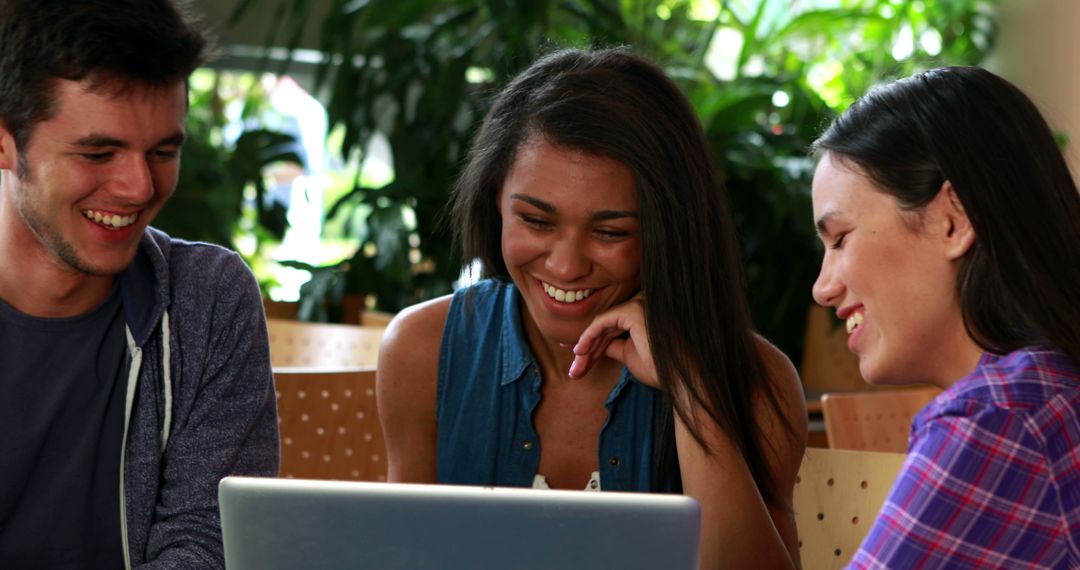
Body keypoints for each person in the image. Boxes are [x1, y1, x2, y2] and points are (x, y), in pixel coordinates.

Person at [377, 48, 807, 568]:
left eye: (610, 233)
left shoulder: (756, 380)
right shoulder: (423, 350)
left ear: (666, 233)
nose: (564, 266)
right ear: (496, 202)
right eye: (536, 221)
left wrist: (693, 387)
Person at [0, 0, 279, 567]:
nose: (138, 187)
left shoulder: (208, 300)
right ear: (5, 141)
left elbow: (209, 541)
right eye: (98, 152)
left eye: (163, 152)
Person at [810, 66, 1080, 568]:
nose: (822, 288)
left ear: (953, 219)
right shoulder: (1052, 390)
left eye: (841, 238)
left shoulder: (998, 421)